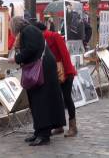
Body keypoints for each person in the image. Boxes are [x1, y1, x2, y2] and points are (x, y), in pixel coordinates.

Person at [8, 17, 66, 146]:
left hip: (42, 69)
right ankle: (39, 131)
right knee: (36, 101)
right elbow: (31, 49)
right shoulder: (29, 30)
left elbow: (31, 49)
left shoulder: (28, 31)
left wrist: (16, 59)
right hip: (42, 68)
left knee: (41, 101)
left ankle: (43, 134)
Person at [34, 22, 78, 137]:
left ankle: (73, 127)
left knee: (67, 98)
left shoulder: (54, 36)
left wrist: (68, 73)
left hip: (65, 72)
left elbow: (65, 54)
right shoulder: (40, 40)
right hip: (53, 74)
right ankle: (59, 126)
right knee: (56, 100)